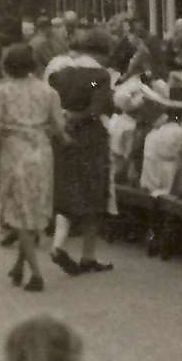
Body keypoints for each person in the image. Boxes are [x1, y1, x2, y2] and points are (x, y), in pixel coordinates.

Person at [0, 43, 68, 292]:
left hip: (15, 152)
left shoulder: (2, 92)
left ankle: (35, 274)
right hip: (42, 152)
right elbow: (59, 126)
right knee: (33, 211)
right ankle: (19, 265)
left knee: (20, 214)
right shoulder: (48, 92)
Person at [49, 28, 114, 276]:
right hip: (90, 139)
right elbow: (97, 109)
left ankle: (58, 245)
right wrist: (81, 115)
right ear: (100, 53)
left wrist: (66, 116)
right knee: (94, 196)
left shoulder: (61, 74)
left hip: (64, 138)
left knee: (68, 193)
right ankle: (88, 256)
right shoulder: (99, 75)